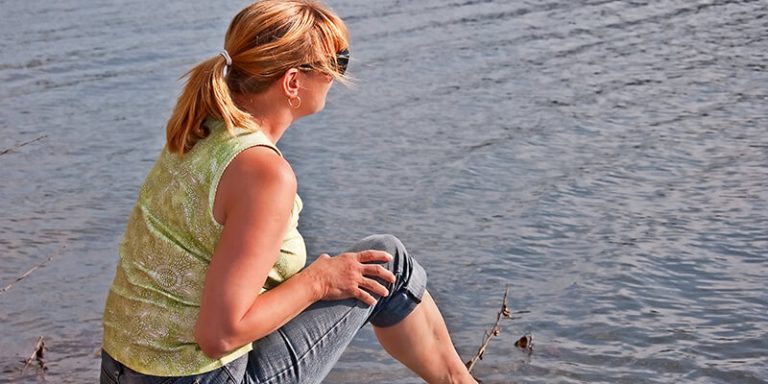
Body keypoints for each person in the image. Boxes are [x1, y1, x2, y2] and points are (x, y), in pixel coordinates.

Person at [100, 1, 477, 383]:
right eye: (337, 62)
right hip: (199, 377)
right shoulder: (263, 173)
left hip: (121, 370)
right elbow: (219, 335)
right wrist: (319, 281)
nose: (337, 74)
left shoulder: (200, 128)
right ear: (293, 82)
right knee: (389, 265)